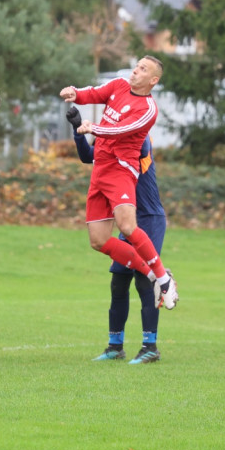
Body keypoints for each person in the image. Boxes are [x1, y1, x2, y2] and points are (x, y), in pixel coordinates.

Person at [59, 56, 179, 310]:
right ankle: (152, 273)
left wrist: (93, 128)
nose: (136, 71)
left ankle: (164, 279)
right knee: (98, 241)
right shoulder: (118, 86)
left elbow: (120, 130)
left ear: (153, 80)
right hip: (100, 171)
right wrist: (75, 92)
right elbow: (93, 93)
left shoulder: (147, 109)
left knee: (127, 226)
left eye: (143, 69)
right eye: (137, 66)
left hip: (120, 172)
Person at [67, 105, 167, 364]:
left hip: (147, 218)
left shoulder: (138, 133)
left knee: (144, 281)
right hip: (127, 218)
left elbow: (141, 150)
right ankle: (115, 345)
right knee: (118, 281)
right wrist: (79, 131)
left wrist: (102, 130)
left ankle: (150, 346)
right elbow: (89, 156)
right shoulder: (109, 128)